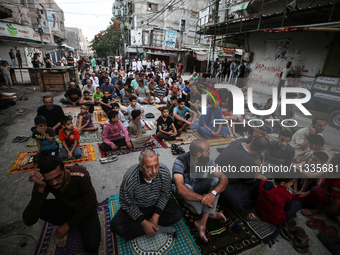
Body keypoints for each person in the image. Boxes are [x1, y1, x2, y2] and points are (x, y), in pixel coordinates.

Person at [23, 156, 100, 252]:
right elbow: (29, 220)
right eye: (49, 180)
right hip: (66, 208)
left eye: (58, 176)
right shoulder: (43, 182)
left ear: (65, 169)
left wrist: (67, 225)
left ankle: (70, 225)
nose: (54, 183)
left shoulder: (80, 176)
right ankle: (66, 222)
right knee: (40, 207)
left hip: (84, 210)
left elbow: (91, 206)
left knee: (92, 246)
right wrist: (39, 190)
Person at [111, 149, 183, 240]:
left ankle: (151, 225)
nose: (154, 171)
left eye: (156, 165)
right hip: (138, 207)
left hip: (155, 204)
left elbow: (165, 194)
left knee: (178, 213)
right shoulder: (130, 178)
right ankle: (153, 227)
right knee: (116, 226)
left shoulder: (163, 171)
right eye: (149, 167)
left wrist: (156, 216)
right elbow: (127, 203)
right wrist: (143, 222)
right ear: (141, 167)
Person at [173, 140, 228, 242]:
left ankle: (202, 221)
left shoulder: (207, 160)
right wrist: (205, 199)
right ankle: (210, 213)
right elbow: (180, 189)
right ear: (198, 154)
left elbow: (224, 178)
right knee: (178, 188)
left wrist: (213, 194)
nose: (210, 151)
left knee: (216, 181)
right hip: (186, 188)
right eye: (207, 150)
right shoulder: (180, 161)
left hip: (198, 186)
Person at [215, 136, 270, 220]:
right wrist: (257, 169)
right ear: (261, 151)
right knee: (260, 182)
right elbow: (251, 180)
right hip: (223, 183)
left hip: (216, 173)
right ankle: (243, 209)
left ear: (253, 139)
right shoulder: (247, 160)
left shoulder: (238, 142)